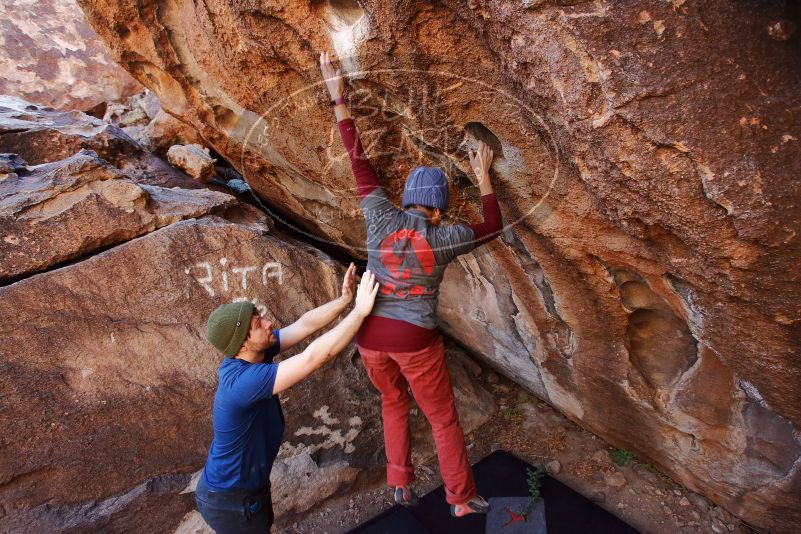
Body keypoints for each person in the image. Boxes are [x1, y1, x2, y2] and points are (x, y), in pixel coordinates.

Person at [319, 52, 504, 517]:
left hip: (369, 337)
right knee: (441, 418)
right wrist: (483, 178)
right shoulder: (446, 238)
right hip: (415, 339)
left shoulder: (379, 215)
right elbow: (494, 225)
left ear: (404, 201)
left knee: (392, 400)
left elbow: (356, 156)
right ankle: (460, 499)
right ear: (438, 210)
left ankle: (399, 481)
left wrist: (337, 95)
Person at [196, 263, 379, 533]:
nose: (269, 323)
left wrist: (344, 302)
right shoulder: (243, 383)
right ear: (242, 344)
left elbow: (303, 325)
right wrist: (361, 312)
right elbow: (315, 358)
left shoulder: (257, 352)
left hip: (242, 491)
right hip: (231, 500)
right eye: (259, 324)